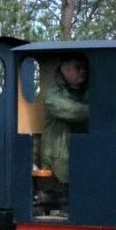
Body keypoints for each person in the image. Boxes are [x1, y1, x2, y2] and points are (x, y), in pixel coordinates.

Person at [35, 55, 89, 201]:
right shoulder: (52, 96)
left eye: (85, 68)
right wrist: (98, 110)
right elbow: (74, 111)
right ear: (65, 69)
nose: (83, 71)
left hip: (80, 153)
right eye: (78, 67)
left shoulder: (86, 93)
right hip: (57, 156)